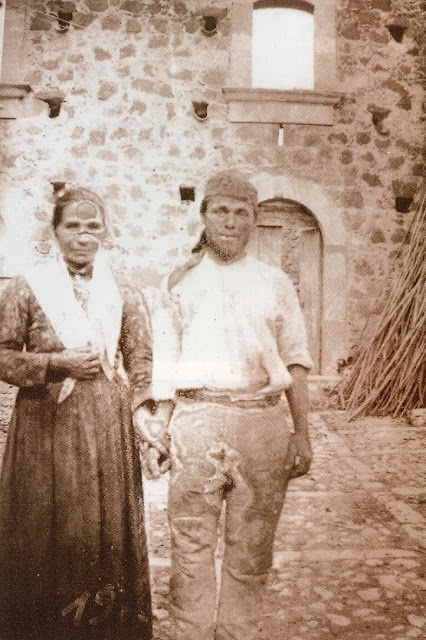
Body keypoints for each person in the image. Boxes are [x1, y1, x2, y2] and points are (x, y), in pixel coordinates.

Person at [135, 170, 313, 640]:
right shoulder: (179, 281)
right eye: (221, 211)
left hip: (262, 424)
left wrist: (302, 433)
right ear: (205, 215)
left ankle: (239, 631)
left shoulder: (275, 282)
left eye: (241, 213)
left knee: (252, 546)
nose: (231, 222)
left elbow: (296, 360)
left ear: (254, 219)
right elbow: (167, 361)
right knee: (190, 541)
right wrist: (161, 428)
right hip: (198, 421)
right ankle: (190, 630)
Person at [0, 188, 153, 640]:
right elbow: (2, 355)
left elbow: (142, 361)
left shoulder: (125, 290)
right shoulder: (27, 287)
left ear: (104, 232)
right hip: (45, 425)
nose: (83, 236)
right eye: (73, 226)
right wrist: (54, 363)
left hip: (106, 425)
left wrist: (145, 415)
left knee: (102, 526)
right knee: (45, 524)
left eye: (93, 227)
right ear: (55, 231)